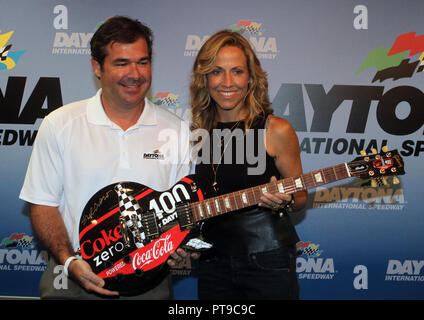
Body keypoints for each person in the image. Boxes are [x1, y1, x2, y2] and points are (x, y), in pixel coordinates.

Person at [19, 16, 192, 299]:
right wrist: (69, 260)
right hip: (71, 279)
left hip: (148, 283)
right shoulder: (60, 124)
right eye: (121, 63)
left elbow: (180, 211)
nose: (135, 73)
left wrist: (181, 245)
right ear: (97, 67)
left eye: (143, 61)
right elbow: (43, 204)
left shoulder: (176, 130)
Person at [190, 30, 308, 300]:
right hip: (212, 264)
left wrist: (285, 201)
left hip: (265, 263)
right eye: (217, 71)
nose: (227, 81)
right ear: (204, 78)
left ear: (251, 78)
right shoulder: (200, 131)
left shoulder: (274, 129)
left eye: (237, 71)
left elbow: (300, 196)